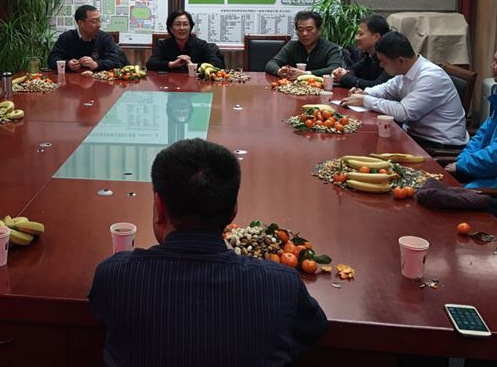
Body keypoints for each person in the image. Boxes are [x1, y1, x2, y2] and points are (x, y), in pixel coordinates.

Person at [88, 138, 327, 366]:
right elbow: (313, 330)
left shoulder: (115, 275)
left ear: (159, 207)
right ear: (233, 211)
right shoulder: (281, 285)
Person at [341, 32, 468, 149]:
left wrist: (365, 100)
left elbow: (404, 112)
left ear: (400, 61)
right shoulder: (407, 70)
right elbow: (386, 89)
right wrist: (366, 93)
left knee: (368, 146)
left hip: (439, 144)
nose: (381, 65)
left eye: (383, 62)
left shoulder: (430, 77)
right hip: (416, 136)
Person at [443, 35, 497, 189]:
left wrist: (462, 166)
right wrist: (462, 162)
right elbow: (482, 135)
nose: (492, 66)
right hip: (483, 174)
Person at [265, 10, 343, 77]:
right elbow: (271, 64)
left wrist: (306, 74)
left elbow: (335, 68)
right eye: (300, 30)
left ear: (319, 30)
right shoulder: (292, 46)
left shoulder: (330, 48)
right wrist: (279, 71)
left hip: (321, 87)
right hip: (294, 87)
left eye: (309, 29)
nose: (304, 33)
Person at [47, 5, 124, 72]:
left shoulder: (105, 38)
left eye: (99, 20)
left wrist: (96, 64)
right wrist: (68, 64)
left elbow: (115, 61)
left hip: (99, 81)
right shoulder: (66, 38)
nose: (99, 25)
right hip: (72, 81)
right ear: (80, 23)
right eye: (94, 21)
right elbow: (52, 60)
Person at [145, 10, 224, 72]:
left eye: (185, 24)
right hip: (170, 85)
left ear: (190, 27)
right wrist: (171, 64)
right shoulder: (163, 45)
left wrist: (192, 65)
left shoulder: (201, 45)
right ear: (170, 28)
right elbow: (150, 64)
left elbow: (218, 65)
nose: (182, 28)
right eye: (178, 24)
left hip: (196, 85)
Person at [331, 14, 391, 89]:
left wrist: (344, 77)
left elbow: (376, 86)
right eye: (357, 34)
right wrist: (341, 72)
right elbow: (354, 69)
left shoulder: (390, 58)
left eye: (360, 34)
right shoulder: (369, 55)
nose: (356, 38)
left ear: (376, 37)